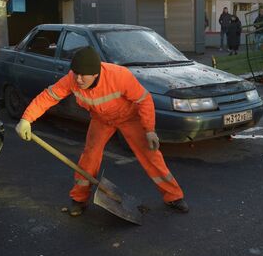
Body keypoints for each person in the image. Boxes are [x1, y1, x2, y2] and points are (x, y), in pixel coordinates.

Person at [15, 47, 189, 215]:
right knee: (90, 155)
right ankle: (79, 199)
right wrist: (26, 119)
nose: (78, 79)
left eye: (83, 75)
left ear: (96, 73)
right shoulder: (72, 79)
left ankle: (174, 197)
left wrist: (149, 129)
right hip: (101, 119)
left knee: (150, 155)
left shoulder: (119, 76)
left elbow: (144, 99)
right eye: (76, 73)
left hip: (129, 118)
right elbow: (49, 96)